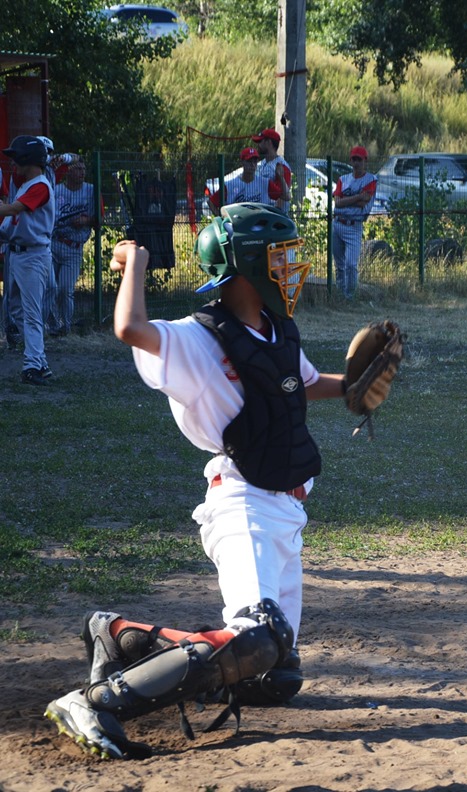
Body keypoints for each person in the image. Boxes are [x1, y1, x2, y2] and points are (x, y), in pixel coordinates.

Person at [44, 202, 349, 760]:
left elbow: (299, 384)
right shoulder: (196, 337)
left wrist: (356, 384)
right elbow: (130, 327)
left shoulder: (275, 330)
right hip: (241, 504)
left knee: (274, 672)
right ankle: (98, 700)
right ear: (247, 266)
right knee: (257, 638)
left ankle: (119, 636)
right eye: (280, 256)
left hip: (284, 512)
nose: (292, 267)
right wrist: (134, 260)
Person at [0, 135, 56, 385]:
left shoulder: (40, 185)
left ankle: (32, 365)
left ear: (28, 159)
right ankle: (39, 360)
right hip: (17, 253)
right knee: (16, 310)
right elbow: (10, 222)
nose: (13, 163)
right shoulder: (26, 185)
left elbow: (12, 210)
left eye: (16, 157)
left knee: (31, 313)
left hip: (33, 256)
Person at [49, 155, 98, 335]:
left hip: (73, 247)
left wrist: (87, 220)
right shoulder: (57, 190)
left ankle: (66, 326)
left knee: (65, 289)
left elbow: (101, 219)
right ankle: (54, 326)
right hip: (54, 243)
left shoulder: (91, 190)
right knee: (50, 288)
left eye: (84, 170)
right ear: (68, 171)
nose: (82, 173)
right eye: (78, 169)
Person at [331, 145, 377, 300]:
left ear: (365, 161)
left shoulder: (370, 179)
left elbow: (365, 202)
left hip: (354, 225)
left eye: (359, 159)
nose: (356, 163)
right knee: (339, 265)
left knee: (351, 264)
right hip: (338, 223)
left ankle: (351, 296)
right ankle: (340, 295)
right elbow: (337, 203)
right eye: (354, 159)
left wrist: (346, 201)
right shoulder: (343, 179)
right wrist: (357, 197)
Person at [206, 147, 264, 215]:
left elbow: (278, 195)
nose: (252, 165)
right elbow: (211, 202)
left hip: (259, 222)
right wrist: (222, 218)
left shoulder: (264, 183)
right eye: (249, 161)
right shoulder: (230, 185)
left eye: (255, 161)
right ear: (242, 162)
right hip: (237, 223)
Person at [252, 128, 291, 215]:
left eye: (260, 141)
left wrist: (276, 215)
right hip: (261, 212)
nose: (258, 145)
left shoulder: (282, 165)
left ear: (269, 142)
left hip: (274, 216)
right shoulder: (261, 164)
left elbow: (283, 195)